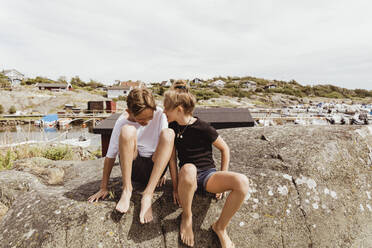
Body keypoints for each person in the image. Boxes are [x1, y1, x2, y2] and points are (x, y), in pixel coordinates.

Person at [163, 81, 249, 248]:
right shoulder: (171, 128)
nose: (164, 111)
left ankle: (220, 227)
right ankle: (187, 217)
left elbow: (225, 149)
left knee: (242, 182)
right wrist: (175, 187)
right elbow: (172, 160)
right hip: (187, 178)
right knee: (188, 168)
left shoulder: (203, 127)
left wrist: (223, 179)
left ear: (178, 109)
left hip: (208, 176)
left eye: (167, 108)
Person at [88, 88, 175, 224]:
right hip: (134, 168)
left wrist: (171, 182)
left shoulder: (160, 114)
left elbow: (166, 145)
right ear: (129, 112)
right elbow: (110, 156)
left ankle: (147, 194)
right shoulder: (122, 121)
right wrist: (103, 187)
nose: (146, 122)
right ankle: (127, 190)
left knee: (169, 133)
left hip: (154, 167)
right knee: (128, 130)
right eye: (141, 120)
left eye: (149, 118)